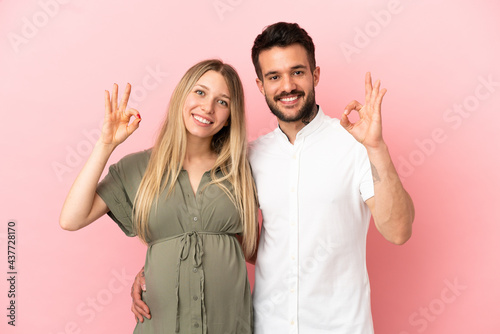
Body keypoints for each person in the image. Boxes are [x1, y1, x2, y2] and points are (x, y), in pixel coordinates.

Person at [131, 22, 415, 333]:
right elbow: (225, 233)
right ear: (260, 85)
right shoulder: (247, 158)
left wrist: (375, 147)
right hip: (267, 326)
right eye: (274, 77)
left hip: (341, 326)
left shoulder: (355, 143)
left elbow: (398, 230)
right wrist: (158, 270)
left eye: (297, 72)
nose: (287, 86)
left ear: (315, 74)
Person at [59, 59, 258, 334]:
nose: (208, 108)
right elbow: (71, 219)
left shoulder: (244, 169)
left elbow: (257, 251)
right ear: (181, 96)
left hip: (230, 325)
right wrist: (105, 145)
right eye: (200, 92)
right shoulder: (137, 168)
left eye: (222, 101)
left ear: (230, 116)